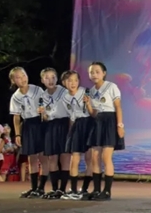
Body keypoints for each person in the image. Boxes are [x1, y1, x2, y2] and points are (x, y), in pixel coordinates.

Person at [84, 62, 125, 201]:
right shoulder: (91, 91)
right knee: (95, 157)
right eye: (91, 72)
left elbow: (118, 107)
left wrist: (120, 125)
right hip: (97, 123)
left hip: (110, 121)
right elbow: (93, 113)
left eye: (97, 71)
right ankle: (96, 190)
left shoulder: (111, 86)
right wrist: (88, 104)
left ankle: (107, 191)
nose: (94, 74)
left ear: (104, 73)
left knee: (106, 157)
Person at [9, 67, 48, 198]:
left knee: (43, 157)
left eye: (23, 75)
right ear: (13, 81)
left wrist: (44, 112)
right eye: (18, 77)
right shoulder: (15, 97)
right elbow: (16, 117)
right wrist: (17, 134)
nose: (22, 79)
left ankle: (42, 188)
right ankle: (34, 187)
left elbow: (47, 106)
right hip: (28, 125)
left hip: (40, 123)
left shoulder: (37, 90)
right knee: (31, 158)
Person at [38, 68, 72, 199]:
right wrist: (43, 115)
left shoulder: (64, 92)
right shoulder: (42, 96)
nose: (50, 80)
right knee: (52, 157)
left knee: (65, 157)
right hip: (51, 126)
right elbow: (45, 117)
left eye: (53, 77)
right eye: (47, 78)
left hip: (64, 124)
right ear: (42, 80)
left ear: (57, 79)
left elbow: (71, 111)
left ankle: (62, 189)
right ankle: (54, 188)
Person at [62, 71, 95, 200]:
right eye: (69, 80)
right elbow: (71, 115)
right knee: (74, 158)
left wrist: (88, 104)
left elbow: (93, 112)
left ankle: (85, 188)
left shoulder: (86, 92)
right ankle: (73, 189)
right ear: (64, 83)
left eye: (75, 80)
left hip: (89, 124)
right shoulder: (65, 97)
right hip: (77, 125)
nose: (73, 83)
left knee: (89, 158)